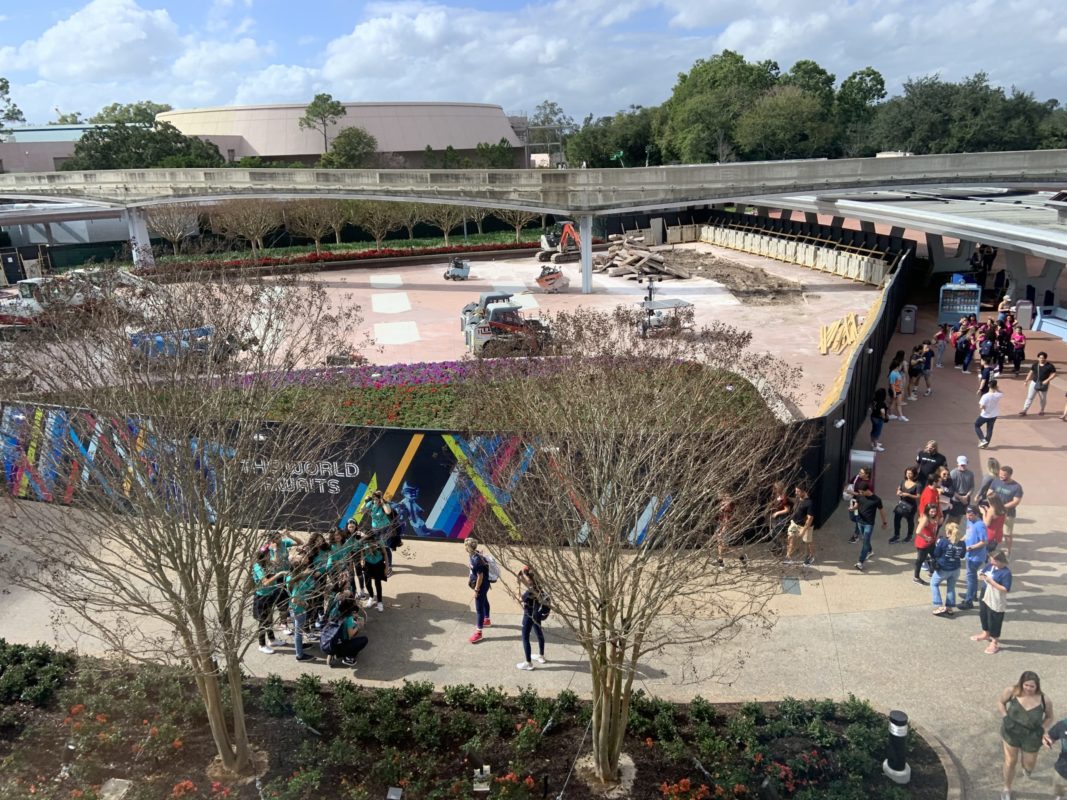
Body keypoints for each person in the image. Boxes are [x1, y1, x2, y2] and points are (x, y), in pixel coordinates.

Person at [999, 671, 1054, 800]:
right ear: (1021, 683)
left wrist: (1042, 728)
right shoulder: (1011, 691)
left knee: (1029, 763)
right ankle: (1007, 788)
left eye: (1032, 686)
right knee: (1010, 761)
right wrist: (1005, 717)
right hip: (1011, 732)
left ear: (1037, 686)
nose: (1028, 688)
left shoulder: (1044, 699)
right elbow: (1000, 702)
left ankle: (1027, 770)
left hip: (1032, 735)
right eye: (1026, 685)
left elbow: (1050, 717)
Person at [972, 551, 1012, 655]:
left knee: (994, 618)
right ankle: (986, 633)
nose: (991, 562)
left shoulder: (1006, 573)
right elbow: (983, 572)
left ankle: (994, 642)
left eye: (993, 560)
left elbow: (1005, 589)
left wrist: (992, 582)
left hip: (996, 597)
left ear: (1000, 561)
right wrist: (981, 575)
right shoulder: (991, 566)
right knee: (984, 614)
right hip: (985, 593)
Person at [251, 546, 288, 654]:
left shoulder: (268, 563)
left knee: (269, 618)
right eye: (269, 554)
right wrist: (279, 575)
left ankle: (272, 639)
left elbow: (276, 562)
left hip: (271, 594)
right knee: (263, 621)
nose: (269, 556)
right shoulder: (258, 567)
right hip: (262, 597)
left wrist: (276, 551)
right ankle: (261, 644)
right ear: (264, 556)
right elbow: (265, 582)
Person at [285, 553, 317, 662]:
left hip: (292, 608)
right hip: (299, 609)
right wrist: (305, 604)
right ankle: (299, 655)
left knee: (296, 629)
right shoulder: (298, 583)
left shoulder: (289, 577)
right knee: (298, 631)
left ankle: (299, 646)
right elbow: (295, 599)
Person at [515, 566, 548, 671]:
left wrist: (518, 585)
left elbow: (520, 599)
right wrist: (522, 580)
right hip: (537, 614)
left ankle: (528, 663)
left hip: (529, 615)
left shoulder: (529, 592)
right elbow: (530, 586)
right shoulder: (538, 586)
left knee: (525, 637)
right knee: (539, 633)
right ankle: (541, 656)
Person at [930, 522, 965, 616]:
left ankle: (939, 606)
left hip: (943, 568)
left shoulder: (943, 541)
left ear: (948, 532)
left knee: (934, 584)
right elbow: (962, 555)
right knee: (951, 587)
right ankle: (949, 607)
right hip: (956, 569)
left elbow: (936, 553)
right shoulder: (961, 543)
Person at [325, 593, 369, 667]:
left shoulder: (337, 611)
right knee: (364, 640)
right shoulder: (348, 618)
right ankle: (347, 657)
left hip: (332, 640)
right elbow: (350, 634)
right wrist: (358, 625)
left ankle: (333, 653)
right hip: (342, 642)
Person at [958, 506, 989, 611]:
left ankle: (968, 601)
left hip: (976, 557)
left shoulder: (980, 525)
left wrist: (970, 548)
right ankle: (972, 594)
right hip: (969, 554)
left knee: (970, 577)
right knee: (972, 577)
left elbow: (984, 541)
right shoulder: (969, 521)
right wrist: (961, 542)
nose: (968, 517)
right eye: (967, 514)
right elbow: (967, 534)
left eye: (970, 515)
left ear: (976, 514)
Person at [989, 466, 1024, 551]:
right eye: (1000, 474)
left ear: (1010, 475)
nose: (1001, 476)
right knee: (992, 530)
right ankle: (991, 548)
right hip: (994, 512)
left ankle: (1008, 550)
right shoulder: (996, 481)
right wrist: (992, 506)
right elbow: (989, 492)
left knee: (1007, 533)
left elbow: (1016, 501)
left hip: (1008, 513)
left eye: (1003, 475)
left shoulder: (1016, 487)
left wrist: (1002, 507)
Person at [465, 537, 492, 643]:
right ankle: (487, 619)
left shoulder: (476, 559)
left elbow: (480, 576)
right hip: (484, 585)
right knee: (484, 599)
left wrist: (476, 589)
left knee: (479, 609)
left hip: (481, 585)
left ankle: (479, 632)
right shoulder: (475, 554)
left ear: (468, 547)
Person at [363, 490, 396, 573]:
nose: (375, 500)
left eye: (377, 498)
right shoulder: (371, 504)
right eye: (374, 498)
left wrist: (382, 501)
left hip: (385, 528)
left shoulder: (384, 504)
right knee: (377, 546)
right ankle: (382, 562)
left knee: (385, 546)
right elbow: (362, 511)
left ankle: (389, 567)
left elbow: (388, 511)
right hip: (375, 529)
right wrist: (365, 501)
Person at [853, 490, 887, 571]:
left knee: (865, 542)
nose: (860, 494)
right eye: (859, 492)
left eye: (862, 492)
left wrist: (884, 522)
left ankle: (860, 562)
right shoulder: (860, 496)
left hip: (869, 524)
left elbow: (882, 511)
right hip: (860, 522)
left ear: (867, 490)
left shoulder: (877, 500)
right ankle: (870, 551)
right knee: (864, 539)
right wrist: (852, 508)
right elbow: (856, 506)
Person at [784, 485, 815, 566]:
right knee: (790, 537)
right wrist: (787, 497)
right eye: (796, 491)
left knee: (807, 542)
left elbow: (810, 519)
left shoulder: (809, 503)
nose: (796, 493)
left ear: (804, 491)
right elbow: (795, 500)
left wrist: (803, 531)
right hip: (794, 523)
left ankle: (811, 556)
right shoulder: (798, 497)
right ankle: (788, 557)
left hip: (805, 526)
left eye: (798, 491)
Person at [890, 466, 920, 544]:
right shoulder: (903, 481)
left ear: (914, 474)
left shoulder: (917, 485)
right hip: (902, 504)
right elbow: (899, 489)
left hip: (911, 506)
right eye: (907, 473)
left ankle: (909, 536)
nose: (908, 475)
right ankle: (896, 535)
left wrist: (908, 495)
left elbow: (918, 496)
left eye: (910, 473)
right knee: (896, 519)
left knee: (910, 521)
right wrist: (898, 492)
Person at [1041, 712, 1067, 800]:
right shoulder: (1062, 725)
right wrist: (1047, 740)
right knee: (1059, 790)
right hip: (1063, 768)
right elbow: (1051, 736)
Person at [912, 505, 940, 585]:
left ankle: (931, 572)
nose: (933, 513)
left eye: (934, 511)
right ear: (928, 511)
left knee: (935, 556)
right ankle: (916, 578)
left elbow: (934, 529)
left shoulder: (935, 517)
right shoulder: (925, 519)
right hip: (923, 543)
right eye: (931, 511)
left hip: (931, 542)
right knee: (920, 560)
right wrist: (926, 538)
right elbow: (918, 531)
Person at [360, 530, 387, 612]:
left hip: (378, 563)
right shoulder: (364, 541)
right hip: (368, 564)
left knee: (377, 582)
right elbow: (362, 552)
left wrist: (387, 566)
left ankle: (379, 602)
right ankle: (371, 597)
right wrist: (362, 560)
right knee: (367, 583)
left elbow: (385, 553)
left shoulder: (379, 541)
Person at [946, 455, 975, 527]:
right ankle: (949, 534)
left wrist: (967, 496)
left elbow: (972, 487)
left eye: (964, 464)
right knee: (952, 519)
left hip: (966, 498)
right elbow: (951, 488)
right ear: (957, 464)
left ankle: (955, 532)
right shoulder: (953, 473)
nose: (963, 466)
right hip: (955, 499)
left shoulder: (970, 474)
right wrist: (960, 497)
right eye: (961, 465)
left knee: (960, 517)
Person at [976, 378, 1003, 448]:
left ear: (988, 385)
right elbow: (1001, 392)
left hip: (985, 415)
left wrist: (984, 408)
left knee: (977, 425)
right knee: (989, 429)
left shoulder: (985, 396)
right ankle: (986, 444)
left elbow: (981, 406)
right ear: (996, 386)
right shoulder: (998, 395)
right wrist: (997, 388)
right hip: (994, 415)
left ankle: (982, 440)